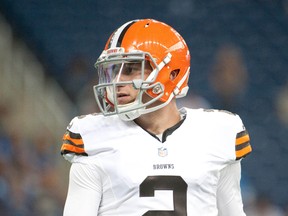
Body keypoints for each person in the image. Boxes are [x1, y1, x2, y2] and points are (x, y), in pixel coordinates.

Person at [60, 19, 252, 216]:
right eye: (115, 70)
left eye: (131, 69)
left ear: (172, 73)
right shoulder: (93, 137)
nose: (118, 81)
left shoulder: (218, 132)